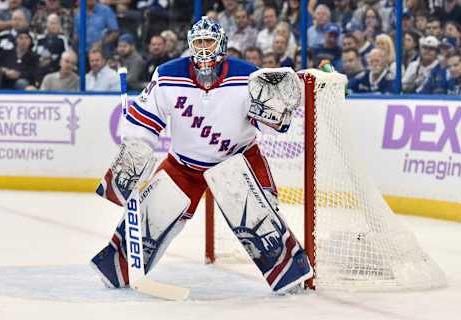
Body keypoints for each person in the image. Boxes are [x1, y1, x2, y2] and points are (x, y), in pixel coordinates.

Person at [91, 16, 313, 294]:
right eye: (198, 42)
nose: (204, 48)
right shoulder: (168, 75)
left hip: (239, 160)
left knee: (261, 224)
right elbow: (143, 125)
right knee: (149, 222)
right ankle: (119, 268)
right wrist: (133, 158)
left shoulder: (247, 76)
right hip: (184, 166)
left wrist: (279, 112)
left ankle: (289, 272)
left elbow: (274, 126)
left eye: (209, 41)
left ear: (222, 44)